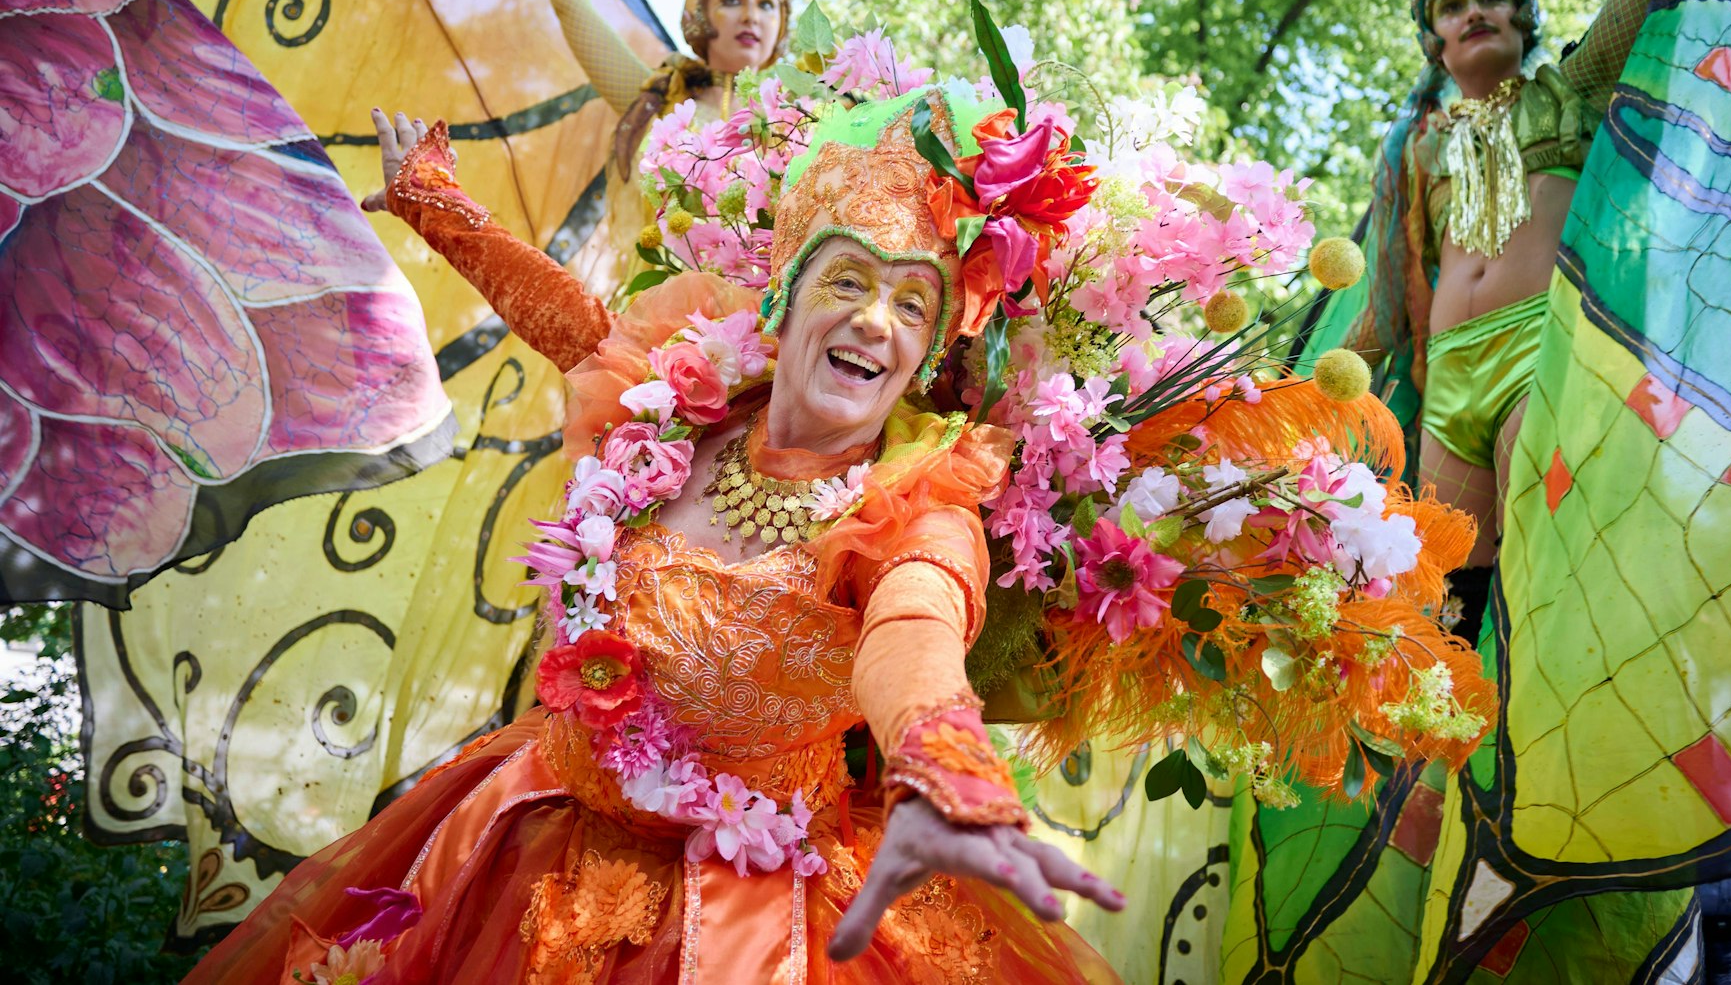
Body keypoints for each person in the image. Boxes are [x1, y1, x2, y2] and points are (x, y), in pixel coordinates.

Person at [185, 89, 1125, 982]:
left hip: (750, 919)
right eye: (849, 280)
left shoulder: (919, 505)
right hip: (528, 836)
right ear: (785, 299)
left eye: (913, 305)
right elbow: (568, 324)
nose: (875, 320)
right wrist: (432, 202)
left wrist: (939, 763)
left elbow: (915, 634)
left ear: (925, 352)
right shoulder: (681, 402)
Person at [1346, 0, 1731, 627]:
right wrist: (1278, 397)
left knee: (1541, 575)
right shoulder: (1418, 151)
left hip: (1544, 350)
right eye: (1452, 4)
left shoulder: (1575, 87)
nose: (1473, 10)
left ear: (1521, 23)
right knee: (1435, 607)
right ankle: (1442, 766)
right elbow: (1388, 309)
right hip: (1450, 380)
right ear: (1435, 43)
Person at [531, 0, 793, 297]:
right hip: (666, 326)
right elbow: (572, 8)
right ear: (699, 15)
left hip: (772, 325)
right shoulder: (660, 101)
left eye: (767, 4)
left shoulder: (808, 117)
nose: (752, 15)